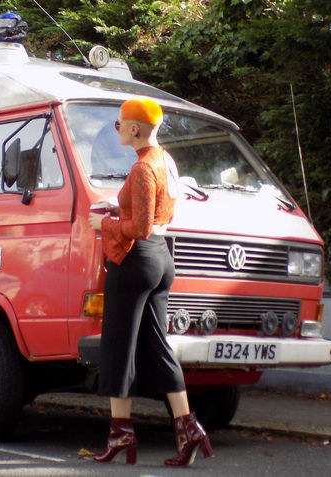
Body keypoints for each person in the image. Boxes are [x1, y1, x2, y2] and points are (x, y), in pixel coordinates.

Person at [87, 97, 214, 467]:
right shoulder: (166, 160)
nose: (117, 129)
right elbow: (156, 214)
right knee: (158, 346)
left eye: (119, 123)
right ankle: (188, 428)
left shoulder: (143, 167)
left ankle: (121, 434)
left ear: (135, 129)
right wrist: (120, 208)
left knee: (118, 346)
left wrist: (104, 223)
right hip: (160, 257)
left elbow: (139, 228)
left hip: (135, 261)